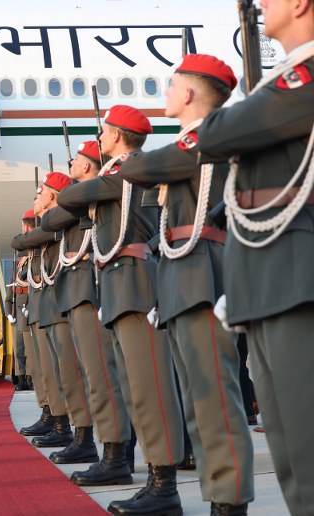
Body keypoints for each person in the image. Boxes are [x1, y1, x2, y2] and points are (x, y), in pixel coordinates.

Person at [119, 54, 254, 515]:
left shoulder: (207, 137)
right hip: (182, 273)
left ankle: (229, 503)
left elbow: (137, 169)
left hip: (202, 273)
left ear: (192, 93)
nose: (167, 92)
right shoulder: (194, 141)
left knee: (215, 401)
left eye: (173, 84)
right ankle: (212, 497)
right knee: (198, 402)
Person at [197, 2, 314, 512]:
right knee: (289, 455)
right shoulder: (283, 80)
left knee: (307, 451)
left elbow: (216, 133)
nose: (262, 4)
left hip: (295, 275)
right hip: (268, 277)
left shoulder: (305, 76)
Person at [58, 105, 185, 516]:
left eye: (103, 132)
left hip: (134, 280)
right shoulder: (118, 174)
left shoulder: (126, 170)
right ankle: (147, 474)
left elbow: (69, 196)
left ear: (115, 136)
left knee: (149, 388)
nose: (99, 138)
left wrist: (95, 176)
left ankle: (164, 485)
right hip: (117, 281)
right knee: (132, 387)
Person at [42, 141, 133, 484]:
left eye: (77, 160)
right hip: (81, 292)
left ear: (91, 167)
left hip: (92, 292)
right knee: (92, 378)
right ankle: (102, 448)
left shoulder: (99, 189)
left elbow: (51, 219)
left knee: (103, 378)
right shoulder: (89, 193)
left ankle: (114, 454)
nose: (71, 162)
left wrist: (66, 191)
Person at [35, 173, 96, 463]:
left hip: (76, 295)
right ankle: (69, 430)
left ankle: (85, 438)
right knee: (58, 375)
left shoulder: (72, 207)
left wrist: (59, 201)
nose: (37, 198)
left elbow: (39, 231)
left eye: (41, 193)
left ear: (52, 196)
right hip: (59, 299)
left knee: (77, 376)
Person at [11, 205, 67, 446]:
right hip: (34, 311)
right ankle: (47, 413)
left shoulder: (50, 233)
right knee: (39, 369)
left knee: (52, 371)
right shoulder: (30, 254)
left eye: (29, 223)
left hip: (49, 310)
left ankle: (60, 422)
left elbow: (19, 241)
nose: (25, 229)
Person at [4, 250, 30, 390]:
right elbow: (8, 299)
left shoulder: (32, 273)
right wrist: (9, 314)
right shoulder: (15, 276)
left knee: (30, 350)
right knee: (18, 350)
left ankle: (30, 378)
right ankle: (20, 378)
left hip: (28, 315)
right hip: (17, 317)